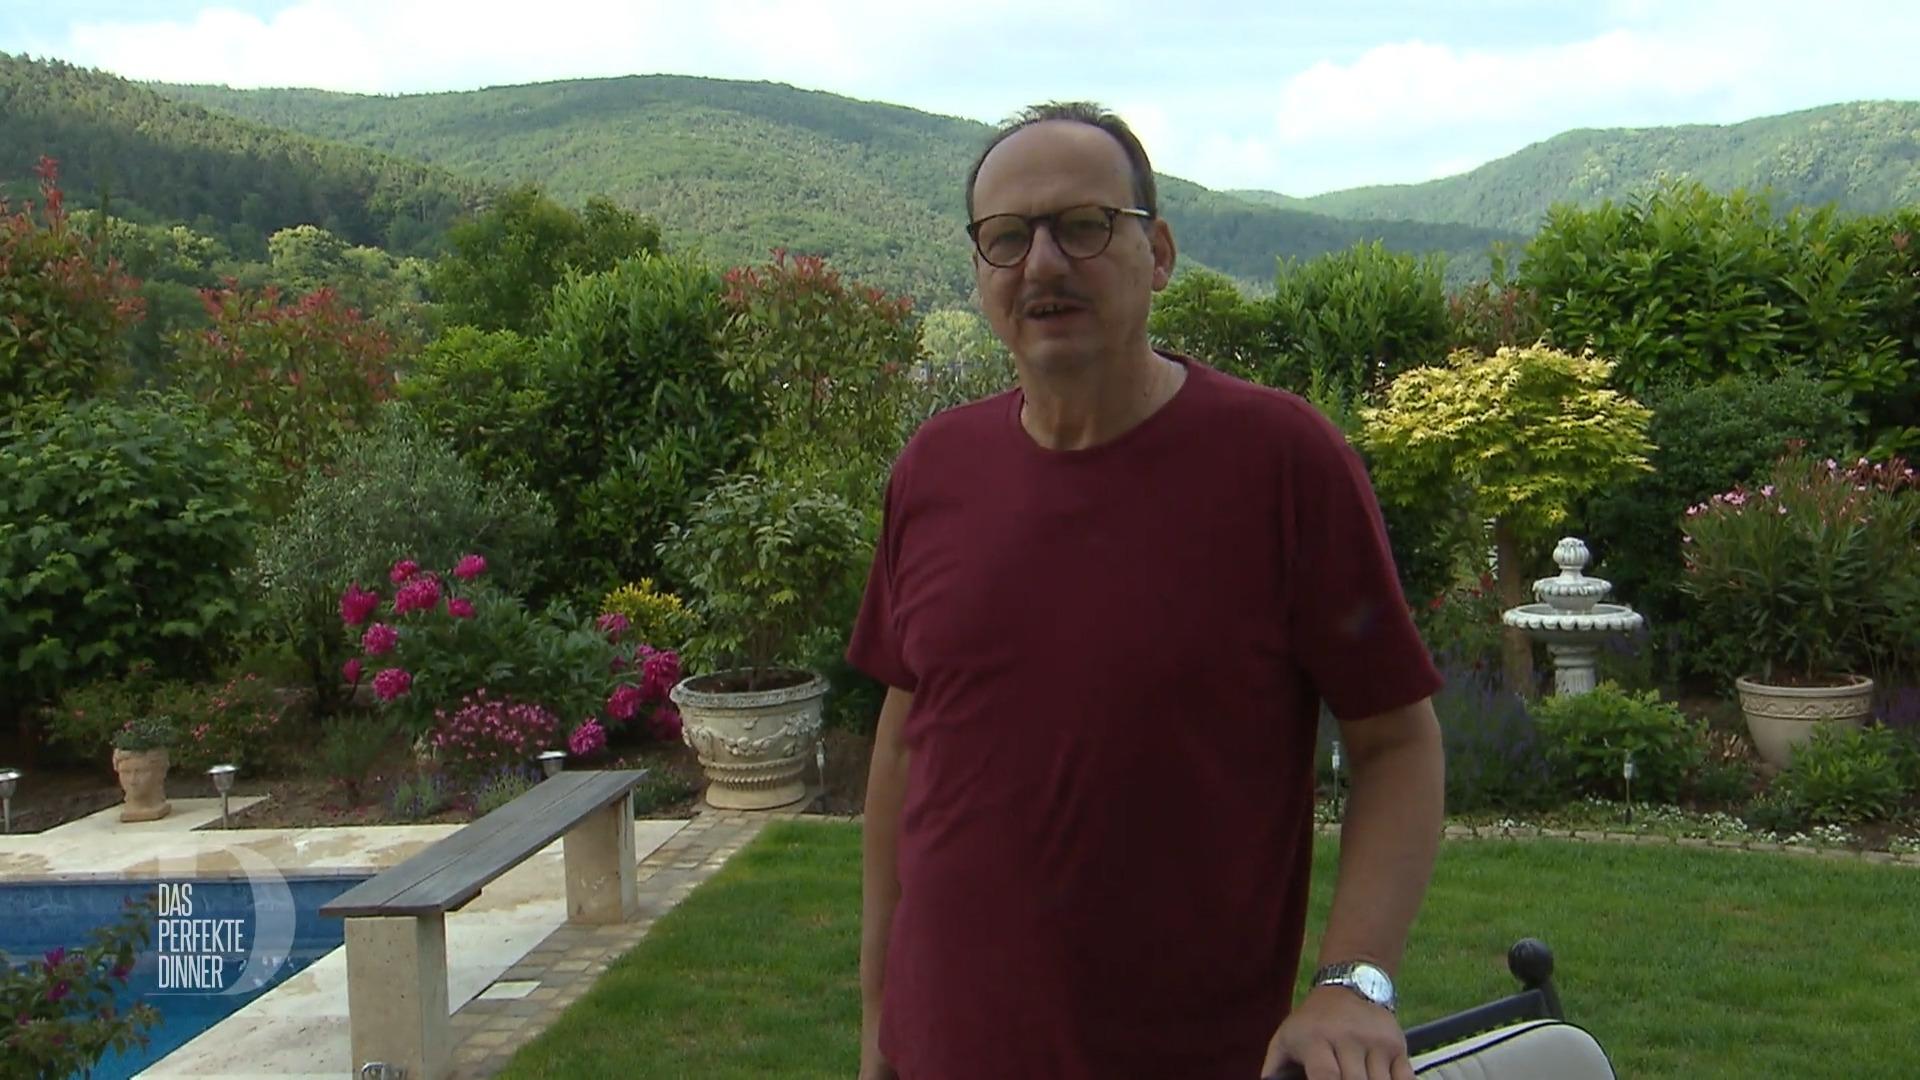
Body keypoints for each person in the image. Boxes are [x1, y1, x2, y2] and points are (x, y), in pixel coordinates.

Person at [847, 101, 1447, 1080]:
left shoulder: (1280, 460)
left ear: (1158, 252)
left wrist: (1354, 982)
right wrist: (879, 1025)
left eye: (1083, 227)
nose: (1043, 265)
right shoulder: (934, 468)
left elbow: (1397, 741)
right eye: (1008, 239)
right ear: (980, 272)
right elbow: (905, 742)